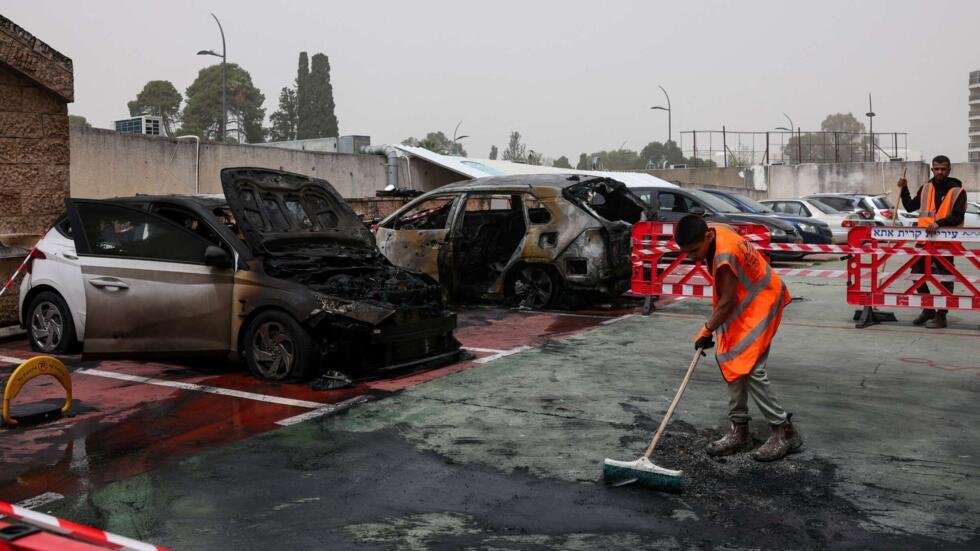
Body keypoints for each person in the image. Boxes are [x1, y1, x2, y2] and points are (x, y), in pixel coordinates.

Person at [674, 214, 803, 461]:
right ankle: (739, 430)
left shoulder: (724, 256)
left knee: (751, 368)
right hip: (745, 303)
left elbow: (727, 302)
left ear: (707, 237)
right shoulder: (713, 229)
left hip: (762, 302)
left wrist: (706, 329)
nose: (692, 257)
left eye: (694, 250)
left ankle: (784, 431)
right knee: (728, 357)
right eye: (687, 252)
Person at [897, 155, 967, 329]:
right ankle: (928, 309)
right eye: (936, 169)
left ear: (949, 170)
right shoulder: (926, 188)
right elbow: (910, 206)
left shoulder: (958, 191)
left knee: (946, 279)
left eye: (943, 169)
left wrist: (939, 223)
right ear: (932, 169)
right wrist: (904, 189)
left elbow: (957, 216)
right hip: (925, 242)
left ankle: (941, 315)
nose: (940, 172)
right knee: (916, 275)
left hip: (946, 243)